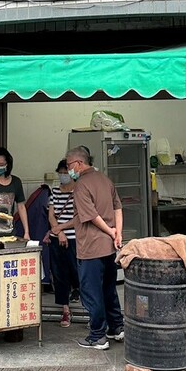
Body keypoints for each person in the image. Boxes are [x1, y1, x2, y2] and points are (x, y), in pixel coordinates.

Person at [59, 145, 124, 349]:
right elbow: (118, 208)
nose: (68, 171)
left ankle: (98, 336)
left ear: (78, 164)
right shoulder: (105, 179)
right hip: (109, 248)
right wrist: (117, 233)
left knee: (91, 292)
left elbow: (92, 217)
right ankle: (117, 328)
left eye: (69, 166)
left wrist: (110, 231)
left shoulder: (81, 185)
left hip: (91, 248)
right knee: (108, 289)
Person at [47, 158, 80, 327]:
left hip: (75, 239)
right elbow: (51, 214)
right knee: (59, 275)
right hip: (56, 239)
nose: (62, 176)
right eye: (60, 173)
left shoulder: (80, 191)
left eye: (65, 173)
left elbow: (79, 218)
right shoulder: (54, 191)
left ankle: (90, 309)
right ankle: (65, 310)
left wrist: (61, 230)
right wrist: (58, 232)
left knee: (78, 273)